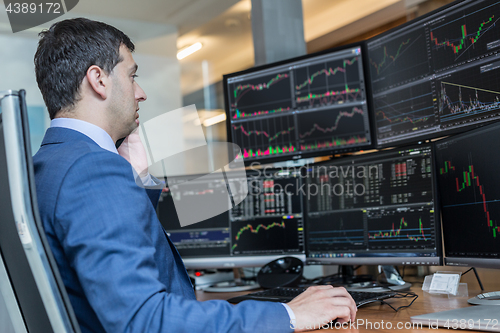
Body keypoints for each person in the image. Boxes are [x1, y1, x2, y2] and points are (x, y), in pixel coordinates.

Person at [33, 18, 356, 333]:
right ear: (98, 80)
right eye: (132, 76)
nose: (141, 92)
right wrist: (288, 315)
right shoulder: (94, 170)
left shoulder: (49, 163)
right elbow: (144, 320)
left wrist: (137, 179)